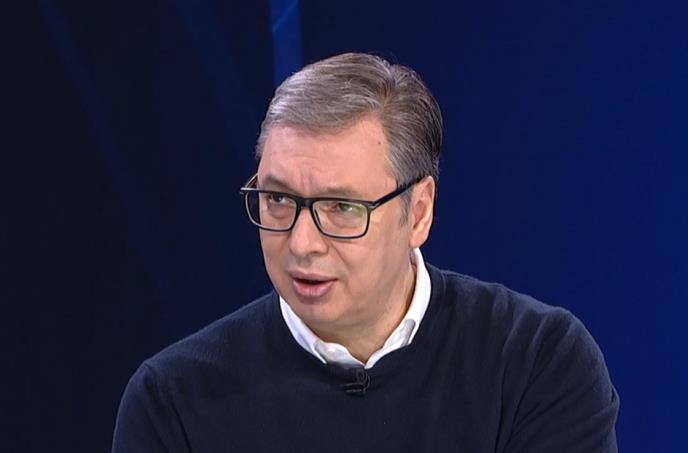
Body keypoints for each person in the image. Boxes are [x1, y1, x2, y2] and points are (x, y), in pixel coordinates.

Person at [112, 52, 619, 452]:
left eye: (341, 207)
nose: (302, 244)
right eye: (278, 199)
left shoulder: (536, 362)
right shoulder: (173, 400)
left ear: (418, 213)